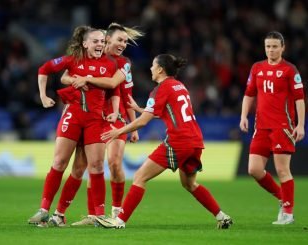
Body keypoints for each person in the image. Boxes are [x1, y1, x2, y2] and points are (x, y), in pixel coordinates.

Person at [93, 54, 233, 229]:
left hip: (178, 140)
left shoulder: (160, 89)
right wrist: (142, 109)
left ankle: (119, 221)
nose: (151, 69)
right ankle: (222, 216)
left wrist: (119, 131)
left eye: (153, 65)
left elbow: (143, 121)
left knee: (139, 177)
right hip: (195, 141)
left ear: (160, 69)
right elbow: (172, 111)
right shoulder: (180, 86)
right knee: (189, 184)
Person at [28, 26, 120, 227]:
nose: (100, 45)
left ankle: (97, 215)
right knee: (60, 162)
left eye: (102, 42)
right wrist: (43, 96)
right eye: (95, 41)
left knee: (93, 166)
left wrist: (114, 110)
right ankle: (44, 210)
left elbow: (114, 89)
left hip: (96, 120)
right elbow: (44, 69)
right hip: (73, 116)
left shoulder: (110, 64)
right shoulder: (72, 60)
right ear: (85, 43)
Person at [61, 23, 144, 226]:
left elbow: (125, 93)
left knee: (115, 163)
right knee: (85, 166)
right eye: (120, 40)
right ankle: (85, 214)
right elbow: (69, 81)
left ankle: (116, 211)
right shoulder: (89, 57)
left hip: (117, 117)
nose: (123, 44)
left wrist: (134, 126)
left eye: (125, 41)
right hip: (92, 116)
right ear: (107, 40)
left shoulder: (124, 63)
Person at [239, 31, 305, 225]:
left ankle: (288, 213)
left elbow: (300, 99)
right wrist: (244, 115)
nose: (271, 50)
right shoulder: (257, 68)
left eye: (275, 46)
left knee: (282, 170)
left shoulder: (290, 70)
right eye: (268, 46)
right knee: (254, 169)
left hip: (282, 127)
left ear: (283, 48)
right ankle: (281, 197)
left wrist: (300, 124)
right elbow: (249, 94)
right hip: (261, 127)